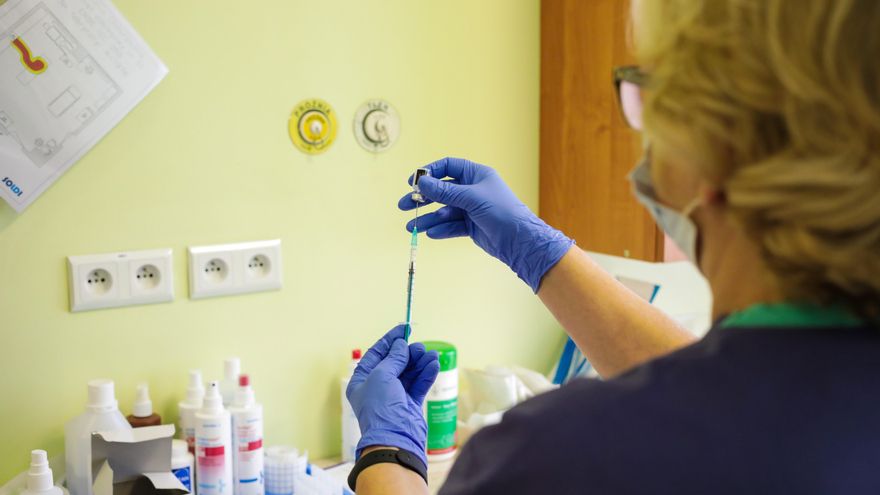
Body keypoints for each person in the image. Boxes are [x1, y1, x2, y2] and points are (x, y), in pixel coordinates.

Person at [345, 0, 880, 493]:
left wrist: (388, 453)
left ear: (718, 146)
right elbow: (740, 401)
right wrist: (540, 253)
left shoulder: (559, 457)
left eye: (654, 95)